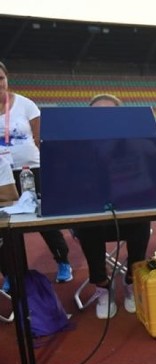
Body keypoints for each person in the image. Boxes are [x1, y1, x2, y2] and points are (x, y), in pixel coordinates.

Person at [74, 93, 151, 319]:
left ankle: (130, 281)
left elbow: (152, 156)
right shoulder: (79, 147)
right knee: (88, 225)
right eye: (98, 115)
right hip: (93, 218)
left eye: (111, 114)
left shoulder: (135, 143)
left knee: (141, 221)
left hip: (129, 215)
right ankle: (102, 285)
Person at [0, 60, 73, 291]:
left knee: (44, 220)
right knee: (4, 227)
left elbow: (41, 138)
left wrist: (52, 170)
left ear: (7, 78)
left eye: (0, 78)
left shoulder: (26, 105)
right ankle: (11, 273)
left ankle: (63, 262)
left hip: (32, 170)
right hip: (1, 177)